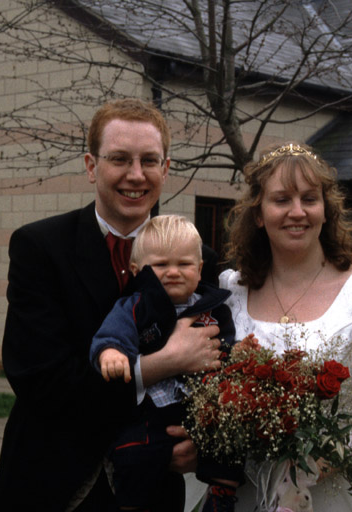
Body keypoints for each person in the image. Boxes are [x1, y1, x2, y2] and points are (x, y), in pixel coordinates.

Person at [0, 98, 222, 512]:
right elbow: (39, 379)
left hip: (154, 486)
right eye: (119, 159)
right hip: (54, 482)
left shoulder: (198, 258)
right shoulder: (39, 247)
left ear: (166, 169)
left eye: (149, 160)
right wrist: (161, 364)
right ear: (91, 166)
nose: (136, 175)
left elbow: (217, 369)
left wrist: (201, 439)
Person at [215, 142, 352, 511]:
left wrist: (307, 467)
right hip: (249, 491)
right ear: (258, 213)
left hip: (336, 494)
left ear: (326, 211)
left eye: (309, 199)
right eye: (281, 200)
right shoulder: (230, 290)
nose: (297, 212)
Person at [89, 215, 244, 512]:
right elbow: (113, 333)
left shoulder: (213, 309)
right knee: (135, 451)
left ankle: (222, 493)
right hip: (153, 409)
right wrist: (111, 353)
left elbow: (225, 344)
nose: (173, 272)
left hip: (201, 405)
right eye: (161, 265)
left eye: (184, 264)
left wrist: (237, 354)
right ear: (137, 271)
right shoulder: (136, 306)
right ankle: (132, 504)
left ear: (200, 269)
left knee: (229, 439)